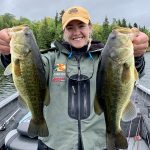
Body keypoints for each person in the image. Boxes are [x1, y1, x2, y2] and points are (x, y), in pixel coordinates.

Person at [0, 6, 149, 150]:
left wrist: (137, 56)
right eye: (70, 28)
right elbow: (27, 72)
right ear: (63, 31)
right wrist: (8, 55)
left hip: (98, 143)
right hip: (55, 144)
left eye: (81, 26)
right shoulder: (49, 58)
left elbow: (135, 73)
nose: (76, 32)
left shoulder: (106, 58)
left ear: (90, 28)